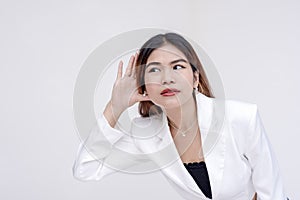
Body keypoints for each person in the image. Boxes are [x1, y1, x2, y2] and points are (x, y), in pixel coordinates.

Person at [73, 33, 288, 200]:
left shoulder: (240, 117)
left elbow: (272, 193)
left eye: (177, 67)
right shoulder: (146, 134)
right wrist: (115, 106)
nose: (167, 78)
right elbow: (85, 169)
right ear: (144, 85)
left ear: (195, 78)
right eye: (154, 70)